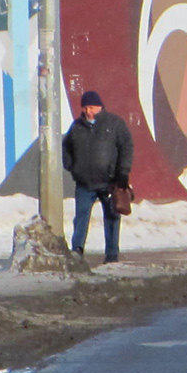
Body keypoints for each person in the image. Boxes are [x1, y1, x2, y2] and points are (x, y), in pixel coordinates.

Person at [62, 90, 134, 263]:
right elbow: (66, 146)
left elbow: (127, 147)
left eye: (92, 107)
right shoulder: (77, 126)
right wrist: (72, 166)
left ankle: (111, 253)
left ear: (100, 106)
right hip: (84, 182)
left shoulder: (114, 124)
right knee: (81, 218)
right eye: (86, 107)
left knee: (112, 217)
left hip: (109, 181)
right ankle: (77, 250)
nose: (89, 111)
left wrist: (123, 172)